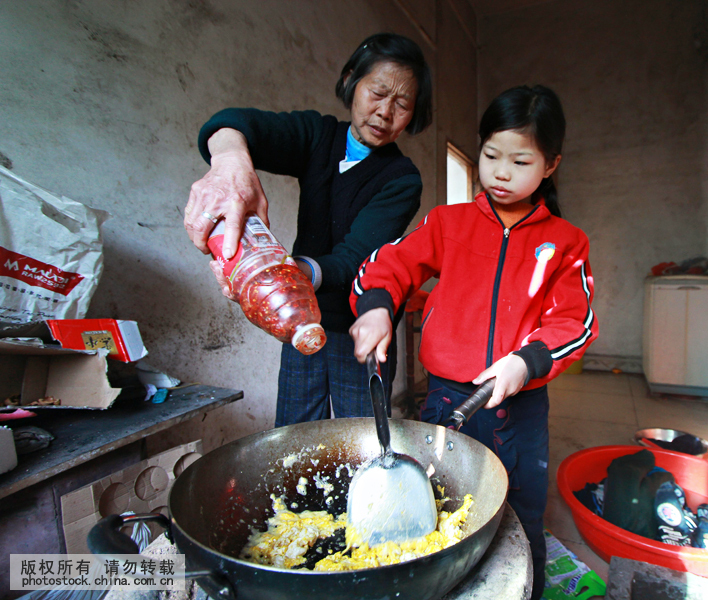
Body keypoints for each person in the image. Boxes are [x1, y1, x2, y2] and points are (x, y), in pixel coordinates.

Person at [348, 84, 598, 600]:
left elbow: (576, 322)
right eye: (490, 156)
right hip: (446, 396)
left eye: (521, 161)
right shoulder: (448, 223)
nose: (502, 173)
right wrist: (376, 307)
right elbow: (391, 264)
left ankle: (522, 587)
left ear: (550, 165)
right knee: (441, 496)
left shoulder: (567, 243)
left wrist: (525, 364)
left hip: (518, 404)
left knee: (521, 505)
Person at [183, 33, 433, 426]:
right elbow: (235, 123)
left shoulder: (401, 178)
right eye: (378, 93)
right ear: (353, 81)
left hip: (363, 330)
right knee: (297, 438)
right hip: (302, 323)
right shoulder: (319, 136)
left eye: (402, 104)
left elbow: (355, 260)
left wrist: (291, 276)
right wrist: (230, 160)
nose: (385, 112)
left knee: (364, 441)